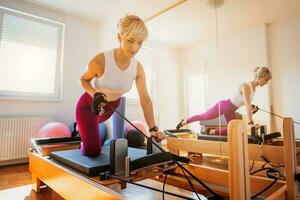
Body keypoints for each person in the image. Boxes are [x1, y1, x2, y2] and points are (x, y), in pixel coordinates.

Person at [76, 15, 164, 157]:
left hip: (110, 108)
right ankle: (83, 137)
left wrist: (153, 128)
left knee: (89, 132)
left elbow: (145, 100)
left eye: (140, 43)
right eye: (130, 40)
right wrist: (94, 94)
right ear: (119, 37)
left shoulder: (138, 68)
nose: (135, 48)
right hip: (89, 106)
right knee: (93, 150)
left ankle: (82, 129)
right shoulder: (100, 61)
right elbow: (83, 80)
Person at [176, 66, 272, 135]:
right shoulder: (246, 86)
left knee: (234, 129)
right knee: (204, 116)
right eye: (266, 80)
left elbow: (245, 103)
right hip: (224, 106)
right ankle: (184, 121)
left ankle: (211, 131)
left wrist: (252, 107)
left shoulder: (253, 90)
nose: (266, 83)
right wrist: (251, 122)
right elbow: (247, 104)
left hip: (231, 110)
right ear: (260, 77)